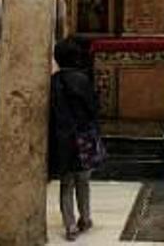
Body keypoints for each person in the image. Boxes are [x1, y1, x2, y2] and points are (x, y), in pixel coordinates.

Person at [49, 38, 102, 241]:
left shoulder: (54, 81)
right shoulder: (82, 79)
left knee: (66, 182)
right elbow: (93, 108)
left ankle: (69, 225)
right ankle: (85, 218)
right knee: (83, 180)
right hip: (83, 137)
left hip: (62, 137)